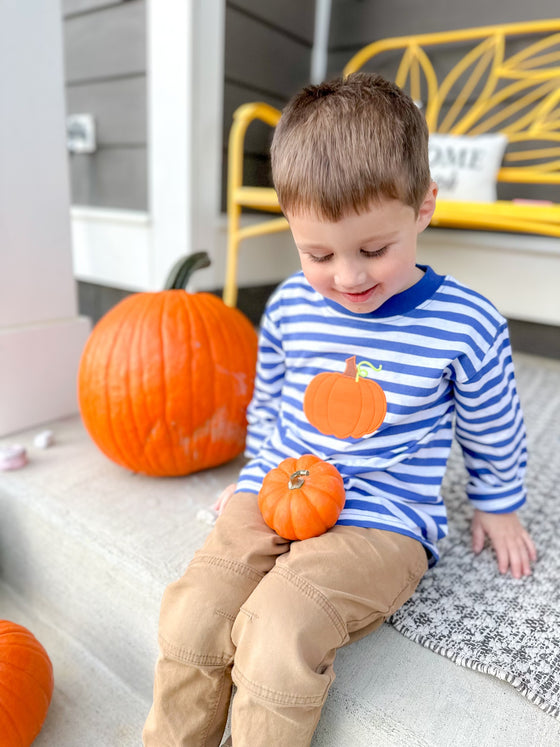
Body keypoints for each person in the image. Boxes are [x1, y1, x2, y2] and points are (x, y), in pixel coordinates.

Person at [143, 72, 537, 747]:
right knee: (195, 610)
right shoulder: (292, 305)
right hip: (282, 487)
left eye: (374, 250)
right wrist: (253, 476)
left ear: (423, 207)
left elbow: (491, 420)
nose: (349, 277)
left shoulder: (464, 322)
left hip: (382, 521)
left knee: (278, 626)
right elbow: (271, 402)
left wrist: (499, 501)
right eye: (318, 253)